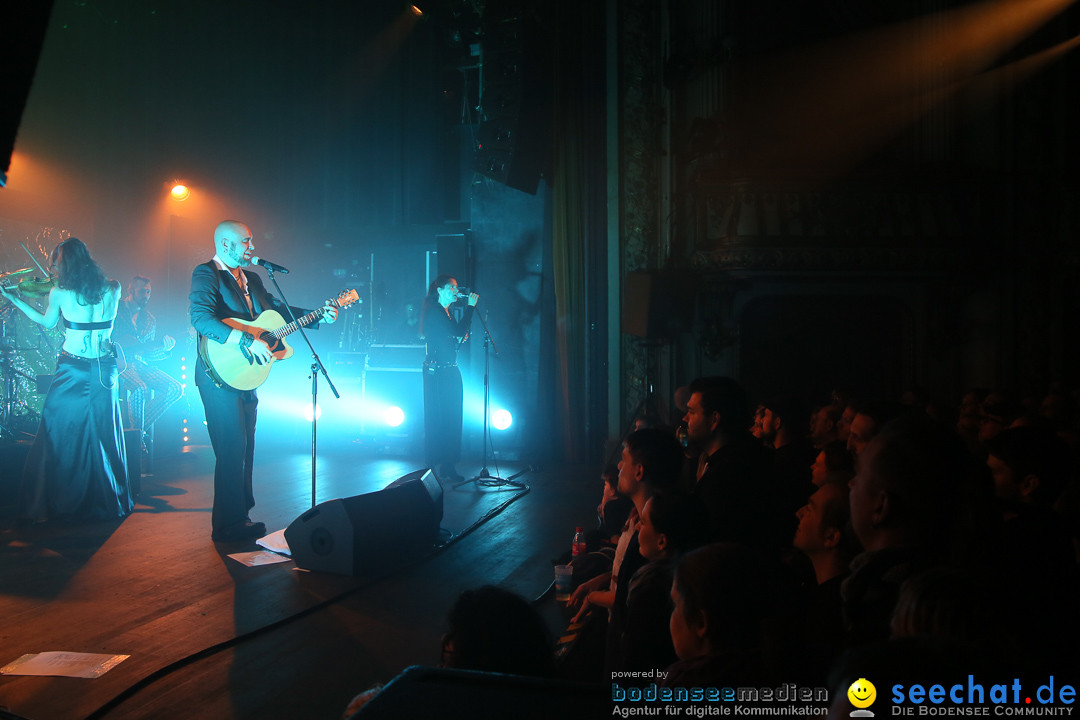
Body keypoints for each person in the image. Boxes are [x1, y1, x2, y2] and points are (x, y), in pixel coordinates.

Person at [189, 220, 336, 542]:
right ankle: (227, 525)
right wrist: (244, 341)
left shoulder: (253, 278)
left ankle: (240, 515)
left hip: (245, 374)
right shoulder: (206, 273)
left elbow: (276, 311)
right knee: (231, 448)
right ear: (226, 245)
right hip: (217, 375)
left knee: (246, 446)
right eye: (246, 241)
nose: (252, 248)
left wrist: (317, 314)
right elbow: (200, 318)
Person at [1, 238, 131, 521]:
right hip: (104, 369)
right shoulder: (114, 288)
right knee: (102, 433)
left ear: (65, 264)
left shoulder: (60, 292)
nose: (53, 269)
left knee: (56, 431)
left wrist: (14, 298)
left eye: (56, 264)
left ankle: (60, 501)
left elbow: (47, 323)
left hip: (73, 368)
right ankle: (106, 501)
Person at [114, 275, 183, 458]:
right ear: (130, 291)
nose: (146, 295)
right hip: (120, 365)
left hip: (142, 365)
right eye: (142, 291)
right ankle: (136, 438)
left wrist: (166, 349)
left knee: (175, 389)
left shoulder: (150, 320)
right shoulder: (115, 309)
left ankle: (133, 434)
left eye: (148, 292)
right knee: (139, 388)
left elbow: (150, 355)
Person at [419, 274, 478, 483]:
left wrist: (456, 337)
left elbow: (454, 334)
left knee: (452, 417)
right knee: (437, 418)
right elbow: (456, 330)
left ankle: (448, 464)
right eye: (452, 287)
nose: (456, 290)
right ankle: (432, 465)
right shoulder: (435, 312)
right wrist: (470, 307)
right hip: (438, 373)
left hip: (449, 370)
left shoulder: (447, 312)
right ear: (440, 290)